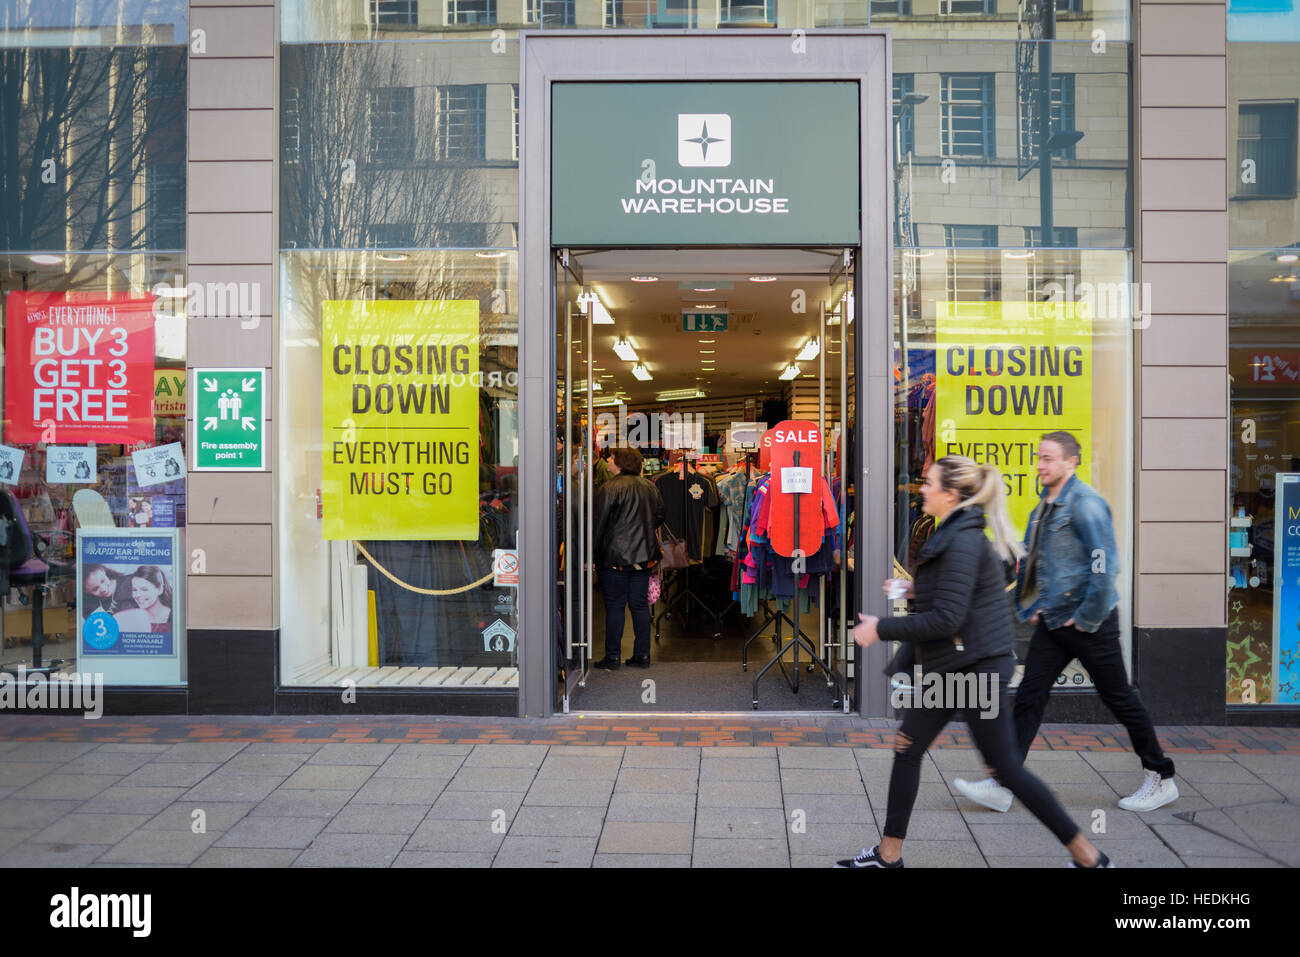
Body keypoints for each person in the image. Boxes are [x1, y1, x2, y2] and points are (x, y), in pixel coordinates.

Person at [838, 455, 1111, 868]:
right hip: (954, 665)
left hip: (974, 669)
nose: (921, 488)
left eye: (929, 483)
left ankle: (1089, 855)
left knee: (1007, 770)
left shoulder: (963, 540)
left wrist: (881, 629)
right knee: (908, 747)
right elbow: (958, 595)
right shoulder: (953, 532)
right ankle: (888, 855)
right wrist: (913, 590)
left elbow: (948, 618)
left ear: (951, 494)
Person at [955, 431, 1178, 815]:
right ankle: (1003, 784)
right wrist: (1035, 603)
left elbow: (1104, 565)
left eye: (1048, 458)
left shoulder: (1085, 505)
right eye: (1038, 458)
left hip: (1090, 623)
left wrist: (1086, 616)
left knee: (1119, 698)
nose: (1040, 465)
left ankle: (1161, 776)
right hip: (1055, 621)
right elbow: (1037, 561)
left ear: (1071, 461)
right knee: (1029, 697)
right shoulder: (1044, 506)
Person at [591, 446, 664, 670]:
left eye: (611, 458)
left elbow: (598, 525)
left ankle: (612, 657)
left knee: (615, 607)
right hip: (644, 557)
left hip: (615, 558)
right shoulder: (650, 487)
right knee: (639, 606)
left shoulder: (608, 488)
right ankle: (642, 655)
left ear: (621, 462)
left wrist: (592, 555)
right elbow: (660, 516)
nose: (608, 461)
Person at [114, 565, 173, 634]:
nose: (137, 595)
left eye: (144, 589)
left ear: (159, 589)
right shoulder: (129, 617)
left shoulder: (174, 616)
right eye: (134, 590)